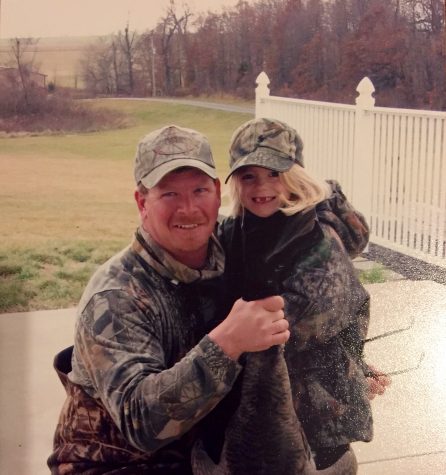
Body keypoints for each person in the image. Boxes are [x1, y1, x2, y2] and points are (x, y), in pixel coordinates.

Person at [47, 124, 291, 474]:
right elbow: (142, 424)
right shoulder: (115, 297)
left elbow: (317, 233)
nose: (189, 208)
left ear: (218, 193)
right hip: (118, 465)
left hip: (202, 455)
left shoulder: (233, 248)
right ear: (141, 202)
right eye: (169, 194)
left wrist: (345, 365)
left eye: (198, 190)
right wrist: (227, 343)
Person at [218, 117, 390, 470]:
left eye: (274, 174)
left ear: (296, 175)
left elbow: (285, 332)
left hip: (317, 424)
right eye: (248, 175)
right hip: (264, 416)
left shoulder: (320, 244)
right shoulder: (240, 230)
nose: (261, 186)